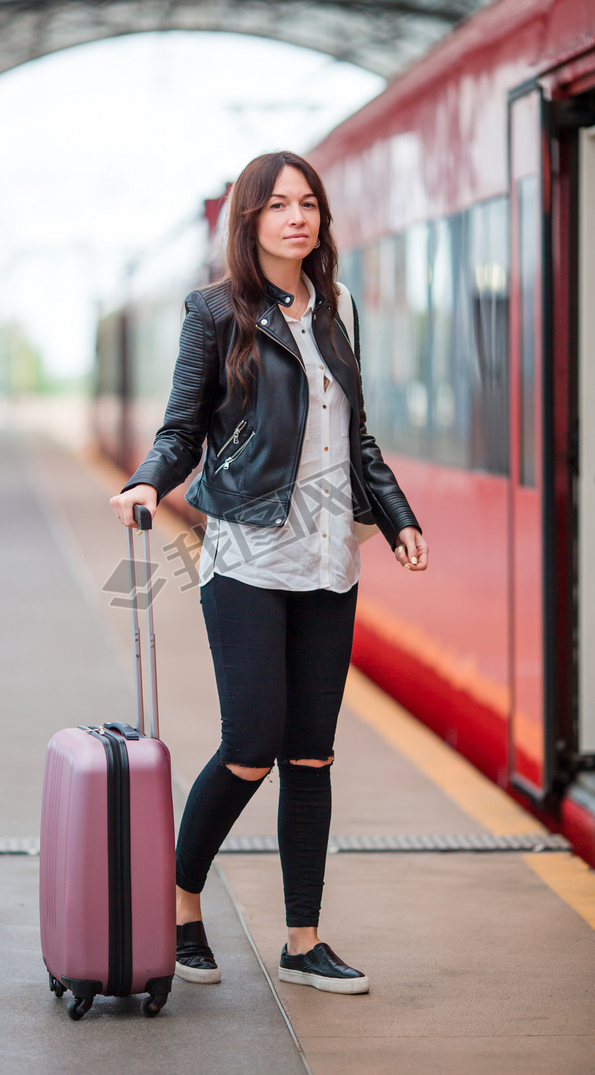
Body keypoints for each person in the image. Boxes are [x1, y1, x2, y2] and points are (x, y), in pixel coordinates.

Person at [111, 151, 428, 996]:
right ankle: (180, 902)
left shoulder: (341, 309)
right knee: (252, 746)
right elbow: (183, 425)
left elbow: (356, 438)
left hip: (331, 558)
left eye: (310, 203)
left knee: (312, 756)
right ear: (249, 221)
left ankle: (303, 940)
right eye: (280, 204)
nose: (299, 217)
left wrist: (396, 518)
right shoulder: (215, 313)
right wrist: (149, 477)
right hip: (247, 556)